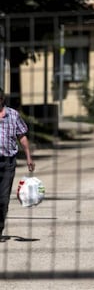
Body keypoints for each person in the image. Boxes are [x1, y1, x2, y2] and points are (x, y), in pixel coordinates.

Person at [0, 88, 35, 241]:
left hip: (8, 162)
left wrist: (29, 157)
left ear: (1, 99)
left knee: (3, 199)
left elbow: (22, 137)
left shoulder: (13, 115)